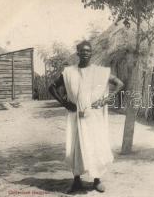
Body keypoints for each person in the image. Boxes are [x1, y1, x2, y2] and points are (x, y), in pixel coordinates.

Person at [49, 40, 124, 193]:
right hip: (75, 116)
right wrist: (64, 103)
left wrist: (106, 99)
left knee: (96, 146)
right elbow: (52, 87)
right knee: (76, 147)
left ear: (91, 53)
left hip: (94, 117)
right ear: (77, 53)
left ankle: (97, 180)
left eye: (88, 51)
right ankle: (76, 180)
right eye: (82, 51)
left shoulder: (100, 72)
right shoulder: (69, 72)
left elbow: (120, 84)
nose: (85, 53)